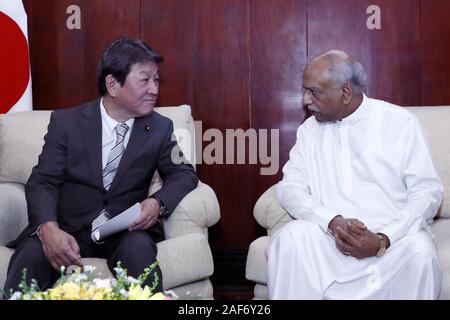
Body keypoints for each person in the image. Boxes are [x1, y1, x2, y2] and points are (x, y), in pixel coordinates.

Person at [3, 37, 198, 296]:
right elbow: (43, 180)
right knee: (31, 253)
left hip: (123, 231)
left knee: (139, 249)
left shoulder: (160, 128)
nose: (154, 89)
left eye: (156, 80)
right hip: (66, 227)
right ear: (113, 84)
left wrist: (157, 203)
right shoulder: (67, 123)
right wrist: (48, 228)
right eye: (144, 79)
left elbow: (183, 173)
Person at [267, 50, 443, 299]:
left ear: (346, 92)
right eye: (305, 90)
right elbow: (290, 188)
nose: (306, 100)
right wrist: (333, 222)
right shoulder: (309, 131)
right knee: (291, 239)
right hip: (331, 243)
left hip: (392, 246)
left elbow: (427, 192)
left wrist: (383, 239)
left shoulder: (400, 123)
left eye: (314, 91)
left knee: (420, 254)